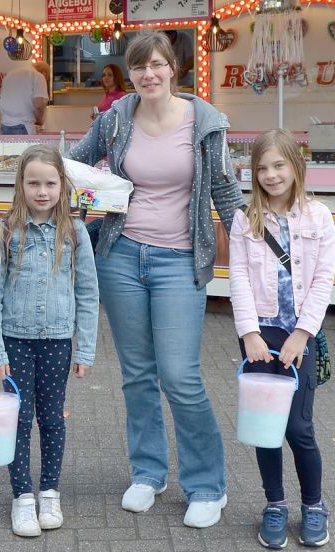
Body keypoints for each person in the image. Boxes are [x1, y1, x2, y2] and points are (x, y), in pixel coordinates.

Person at [67, 30, 245, 528]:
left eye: (158, 64)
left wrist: (256, 251)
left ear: (174, 68)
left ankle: (207, 485)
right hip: (120, 257)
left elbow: (226, 193)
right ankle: (148, 473)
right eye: (140, 66)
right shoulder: (116, 118)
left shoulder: (206, 123)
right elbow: (72, 166)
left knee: (181, 377)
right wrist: (75, 202)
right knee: (138, 375)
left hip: (179, 263)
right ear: (131, 73)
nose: (149, 74)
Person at [0, 144, 99, 537]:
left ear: (62, 185)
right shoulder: (6, 231)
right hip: (15, 342)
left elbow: (88, 293)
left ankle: (49, 491)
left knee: (51, 419)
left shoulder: (75, 231)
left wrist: (85, 348)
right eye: (34, 183)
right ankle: (22, 497)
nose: (42, 191)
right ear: (21, 185)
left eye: (50, 183)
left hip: (58, 343)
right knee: (18, 420)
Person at [228, 129, 335, 549]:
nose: (271, 175)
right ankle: (275, 505)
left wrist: (303, 334)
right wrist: (249, 332)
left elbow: (324, 279)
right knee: (263, 427)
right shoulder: (245, 217)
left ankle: (314, 505)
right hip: (260, 333)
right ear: (253, 174)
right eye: (262, 168)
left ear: (296, 166)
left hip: (299, 334)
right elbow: (237, 276)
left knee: (298, 428)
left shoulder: (319, 215)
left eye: (279, 165)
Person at [0, 61, 50, 135]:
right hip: (24, 126)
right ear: (44, 73)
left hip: (4, 124)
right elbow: (39, 104)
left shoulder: (10, 74)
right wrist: (39, 120)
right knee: (26, 147)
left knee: (7, 147)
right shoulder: (38, 76)